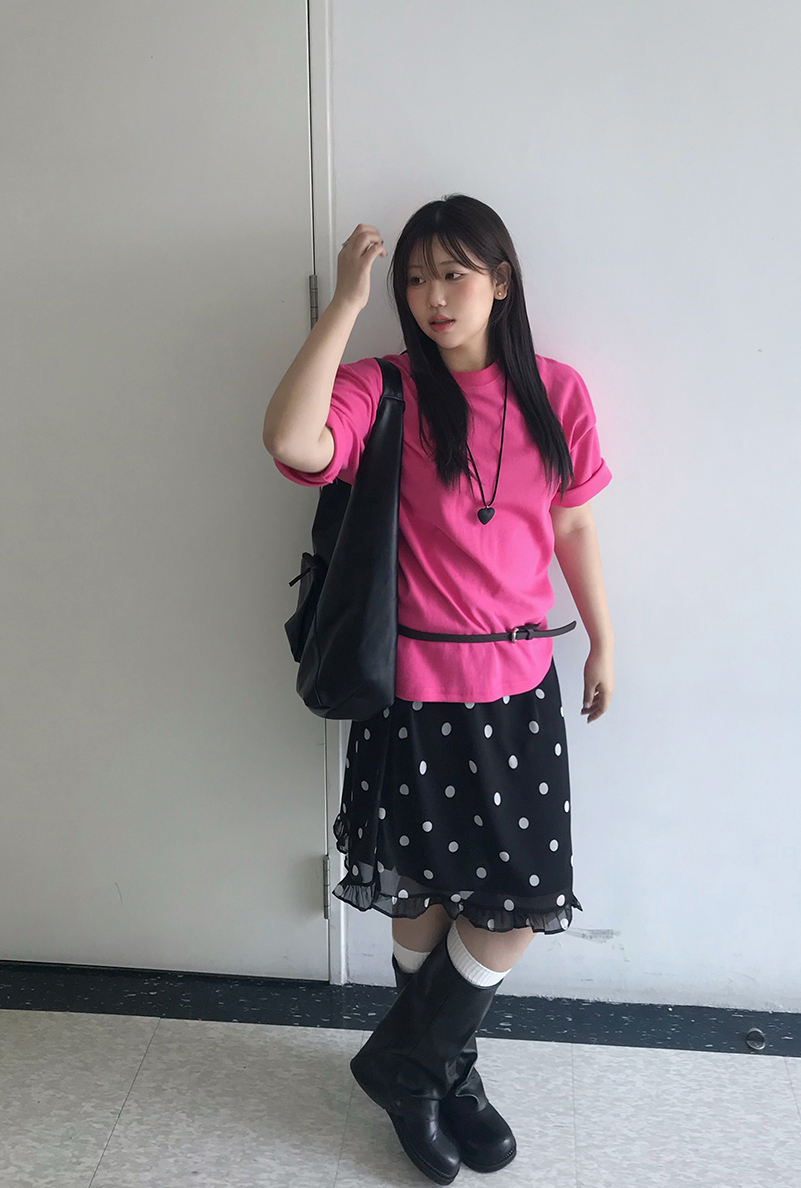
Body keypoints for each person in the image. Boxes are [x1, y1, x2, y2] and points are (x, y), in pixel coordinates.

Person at [263, 194, 614, 1185]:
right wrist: (346, 302)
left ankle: (408, 1066)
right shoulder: (383, 390)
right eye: (416, 280)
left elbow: (574, 523)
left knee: (518, 898)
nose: (432, 296)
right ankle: (442, 1073)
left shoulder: (557, 392)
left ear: (501, 280)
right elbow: (292, 441)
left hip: (519, 687)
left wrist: (604, 638)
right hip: (412, 689)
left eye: (453, 273)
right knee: (418, 885)